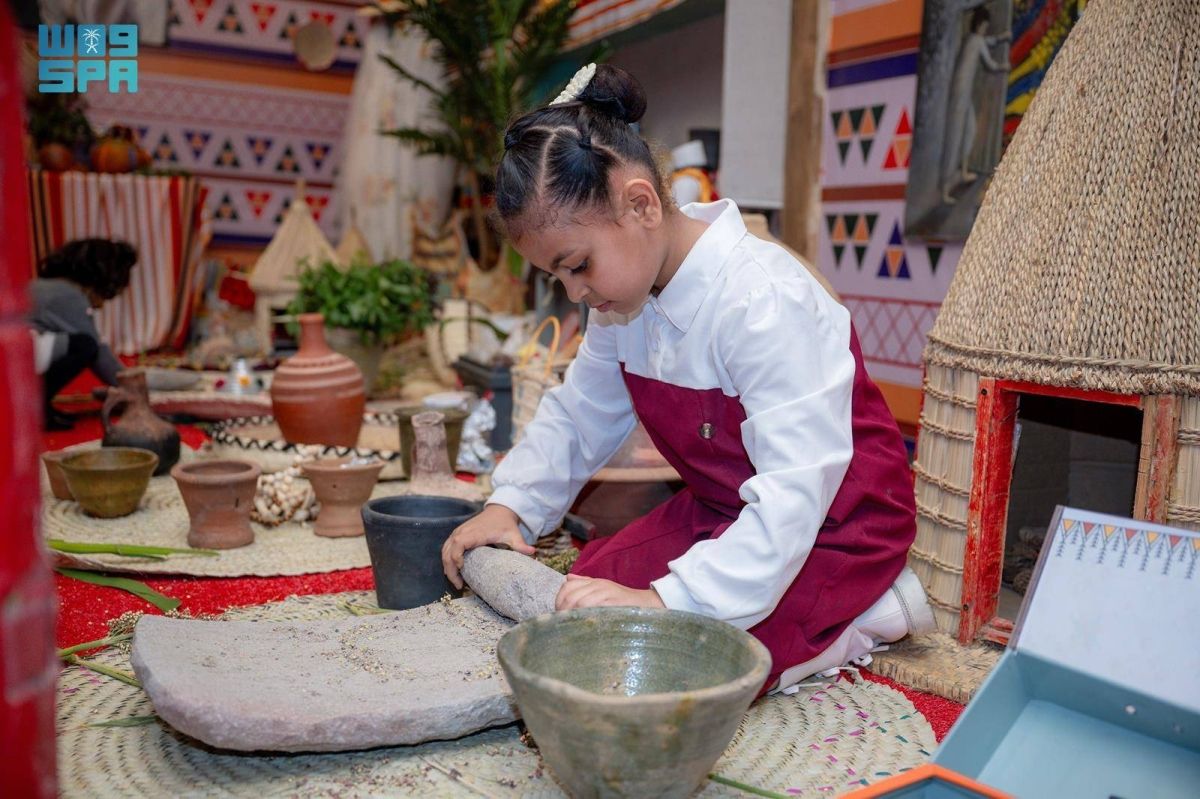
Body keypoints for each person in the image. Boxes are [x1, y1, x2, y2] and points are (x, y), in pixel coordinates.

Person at [442, 64, 934, 693]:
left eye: (578, 265)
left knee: (679, 667)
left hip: (833, 529)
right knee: (586, 596)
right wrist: (510, 506)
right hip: (724, 512)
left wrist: (667, 603)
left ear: (641, 204)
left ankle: (868, 614)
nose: (574, 292)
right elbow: (579, 414)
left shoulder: (762, 300)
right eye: (556, 277)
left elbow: (793, 492)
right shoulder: (621, 302)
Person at [29, 238, 136, 431]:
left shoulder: (48, 286)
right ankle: (34, 407)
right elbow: (99, 354)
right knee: (84, 345)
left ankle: (38, 406)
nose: (101, 305)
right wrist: (134, 385)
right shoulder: (69, 296)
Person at [940, 6, 1011, 204]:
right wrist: (1003, 66)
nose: (985, 30)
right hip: (960, 94)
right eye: (985, 26)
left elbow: (988, 41)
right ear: (980, 25)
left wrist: (1002, 37)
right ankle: (945, 188)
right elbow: (990, 62)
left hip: (961, 94)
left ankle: (962, 171)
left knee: (969, 130)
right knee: (955, 138)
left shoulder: (972, 40)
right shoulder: (976, 41)